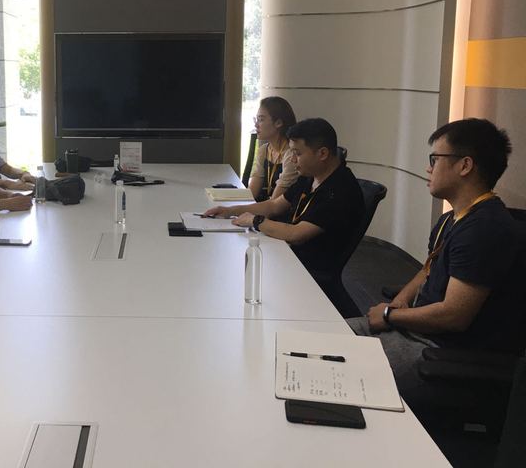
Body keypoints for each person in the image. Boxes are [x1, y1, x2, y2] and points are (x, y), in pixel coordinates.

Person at [347, 118, 525, 402]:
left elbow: (453, 316)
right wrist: (400, 301)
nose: (429, 168)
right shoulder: (452, 218)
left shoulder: (485, 229)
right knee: (326, 336)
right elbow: (427, 270)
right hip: (414, 330)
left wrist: (390, 315)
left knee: (338, 369)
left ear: (465, 165)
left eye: (435, 159)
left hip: (440, 351)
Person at [205, 118, 364, 317]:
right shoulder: (311, 177)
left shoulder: (339, 191)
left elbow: (296, 234)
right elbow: (274, 205)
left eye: (298, 153)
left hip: (306, 271)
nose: (293, 159)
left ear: (322, 153)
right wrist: (232, 210)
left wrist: (256, 221)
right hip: (288, 255)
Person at [248, 96, 298, 201]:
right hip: (264, 207)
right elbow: (250, 195)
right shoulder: (264, 150)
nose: (256, 125)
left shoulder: (292, 155)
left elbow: (274, 205)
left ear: (278, 123)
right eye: (256, 119)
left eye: (261, 119)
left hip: (278, 210)